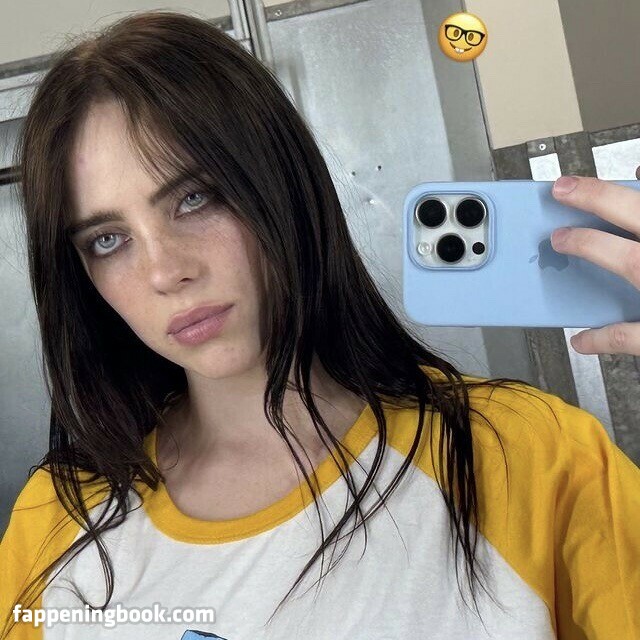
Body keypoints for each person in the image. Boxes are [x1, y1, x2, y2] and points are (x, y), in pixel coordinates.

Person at [0, 10, 639, 640]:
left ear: (281, 183)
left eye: (195, 198)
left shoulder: (527, 455)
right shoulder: (55, 519)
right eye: (108, 240)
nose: (165, 271)